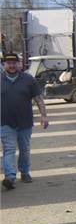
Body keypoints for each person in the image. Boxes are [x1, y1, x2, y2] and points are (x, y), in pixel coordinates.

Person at [1, 52, 48, 190]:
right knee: (9, 149)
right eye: (8, 63)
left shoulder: (28, 79)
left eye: (14, 63)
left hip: (25, 122)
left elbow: (39, 99)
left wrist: (44, 115)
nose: (12, 66)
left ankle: (25, 172)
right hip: (4, 122)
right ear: (4, 65)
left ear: (19, 64)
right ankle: (10, 177)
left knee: (24, 149)